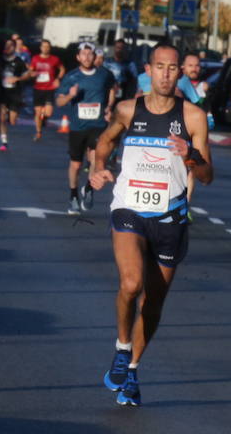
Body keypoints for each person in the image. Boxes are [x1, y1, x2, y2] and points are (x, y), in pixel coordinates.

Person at [88, 44, 213, 406]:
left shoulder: (193, 118)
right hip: (129, 207)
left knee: (154, 301)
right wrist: (99, 168)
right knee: (131, 283)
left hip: (170, 216)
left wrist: (191, 156)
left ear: (181, 73)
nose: (166, 74)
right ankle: (122, 349)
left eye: (173, 69)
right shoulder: (129, 109)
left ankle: (133, 369)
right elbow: (105, 141)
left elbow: (207, 176)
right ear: (149, 69)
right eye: (160, 67)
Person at [56, 42, 117, 214]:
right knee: (75, 165)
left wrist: (109, 106)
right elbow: (59, 102)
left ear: (94, 56)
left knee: (94, 158)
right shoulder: (71, 77)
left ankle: (89, 189)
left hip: (97, 125)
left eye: (90, 54)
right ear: (78, 57)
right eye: (83, 54)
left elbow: (113, 88)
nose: (87, 57)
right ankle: (74, 195)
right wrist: (70, 95)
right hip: (77, 126)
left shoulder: (104, 74)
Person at [0, 39, 29, 152]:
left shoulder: (19, 61)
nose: (8, 48)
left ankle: (14, 112)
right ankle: (4, 142)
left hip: (15, 93)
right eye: (6, 45)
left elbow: (27, 75)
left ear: (14, 47)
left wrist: (17, 78)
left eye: (11, 46)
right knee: (2, 118)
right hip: (2, 92)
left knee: (12, 120)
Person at [29, 39, 63, 140]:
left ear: (50, 48)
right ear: (40, 48)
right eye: (43, 46)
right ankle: (38, 132)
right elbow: (31, 71)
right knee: (38, 112)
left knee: (48, 113)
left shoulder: (55, 59)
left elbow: (62, 69)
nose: (45, 48)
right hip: (38, 88)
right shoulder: (35, 58)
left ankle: (44, 118)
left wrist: (58, 79)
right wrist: (32, 74)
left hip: (49, 88)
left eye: (47, 47)